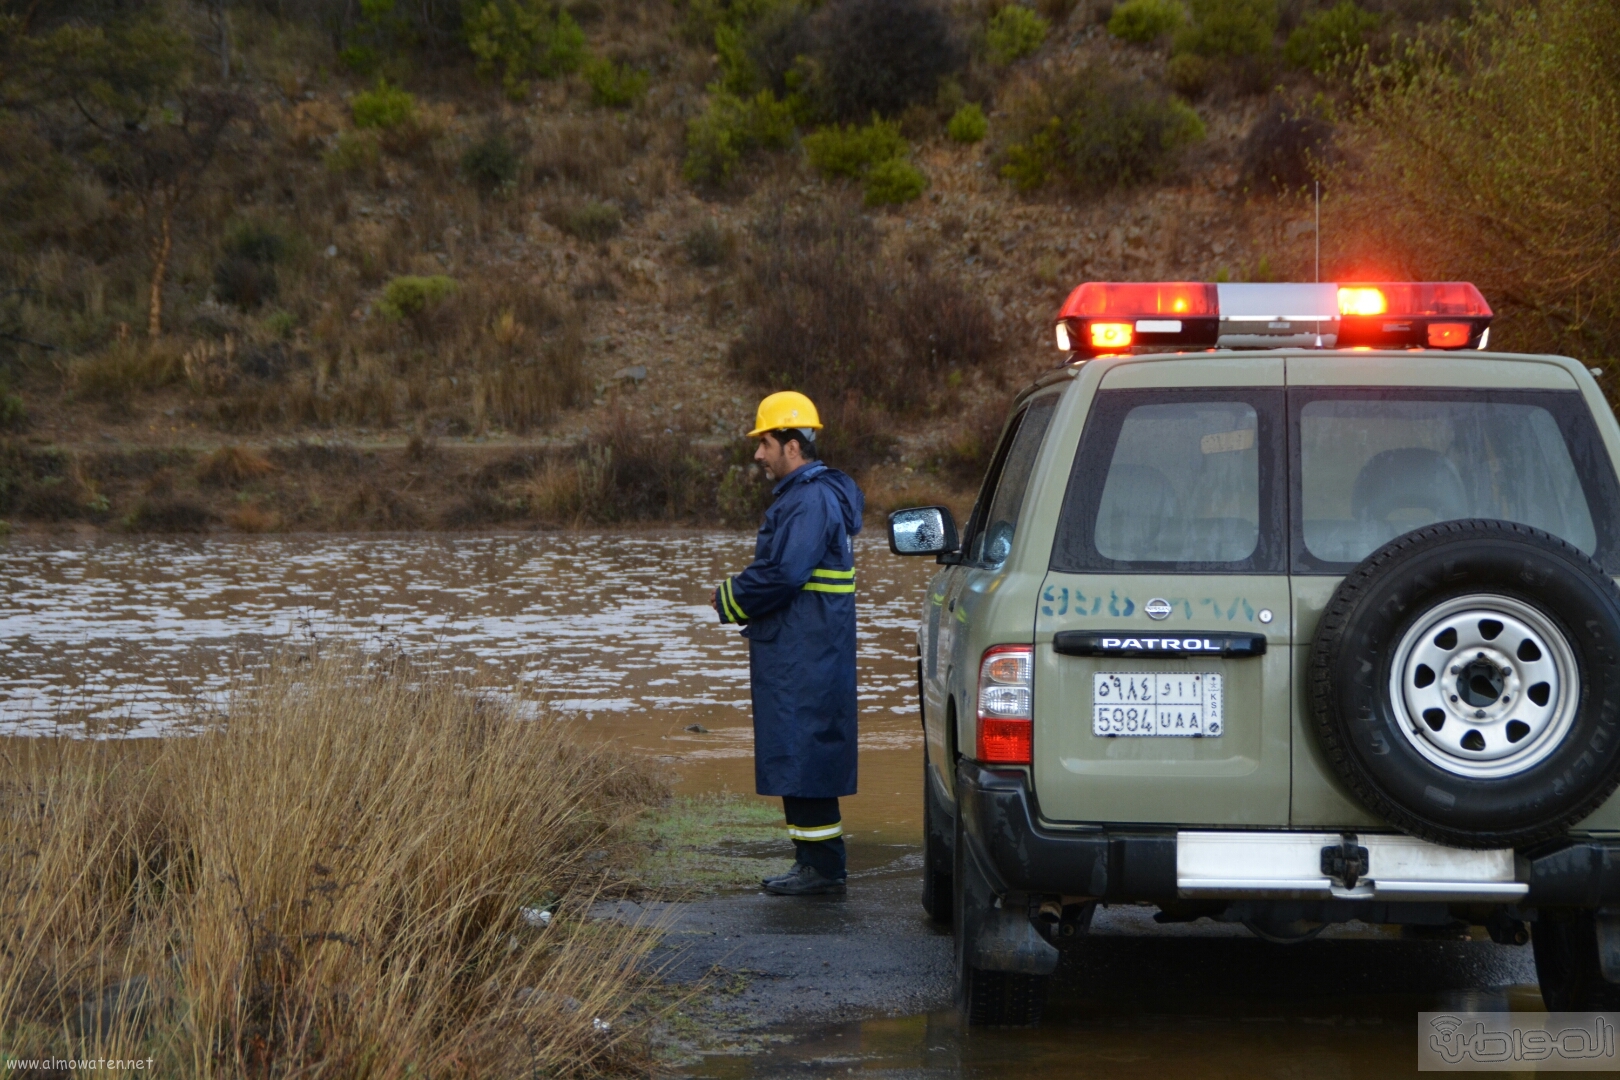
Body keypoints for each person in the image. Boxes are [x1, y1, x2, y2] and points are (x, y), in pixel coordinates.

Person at [713, 391, 865, 896]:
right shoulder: (810, 497)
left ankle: (823, 871)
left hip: (806, 652)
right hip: (807, 648)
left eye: (766, 443)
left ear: (793, 446)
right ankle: (813, 864)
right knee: (803, 754)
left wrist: (731, 597)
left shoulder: (808, 499)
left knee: (806, 754)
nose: (758, 455)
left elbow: (785, 573)